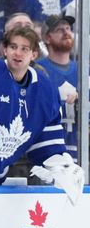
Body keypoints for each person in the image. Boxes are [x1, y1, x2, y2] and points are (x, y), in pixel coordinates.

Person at [0, 25, 82, 203]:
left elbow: (48, 141)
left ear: (34, 54)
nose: (18, 53)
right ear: (5, 50)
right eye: (13, 47)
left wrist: (61, 166)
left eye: (24, 49)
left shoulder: (45, 89)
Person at [37, 13, 77, 160]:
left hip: (82, 153)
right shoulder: (38, 71)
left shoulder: (84, 70)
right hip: (49, 157)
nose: (66, 32)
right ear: (47, 38)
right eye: (60, 30)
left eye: (68, 28)